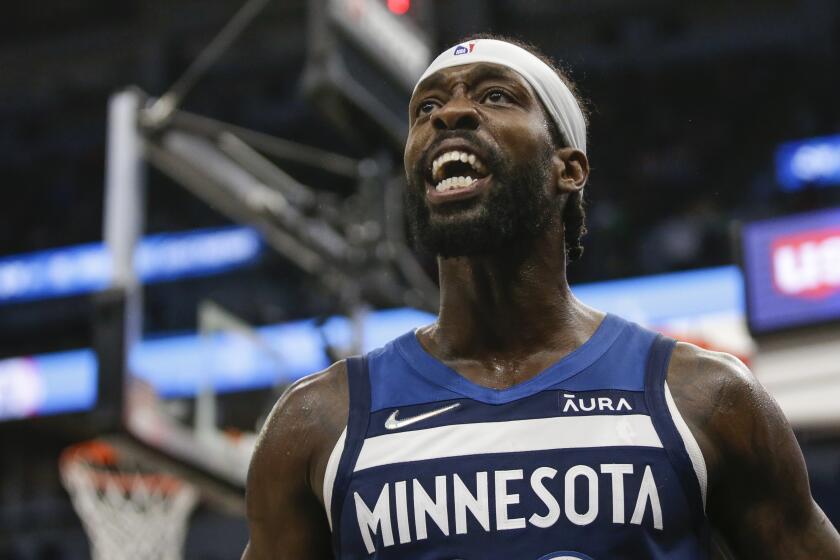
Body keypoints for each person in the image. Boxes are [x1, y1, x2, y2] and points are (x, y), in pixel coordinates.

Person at [241, 35, 840, 559]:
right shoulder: (316, 422)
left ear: (569, 169)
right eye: (427, 107)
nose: (450, 115)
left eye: (495, 95)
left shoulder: (704, 398)